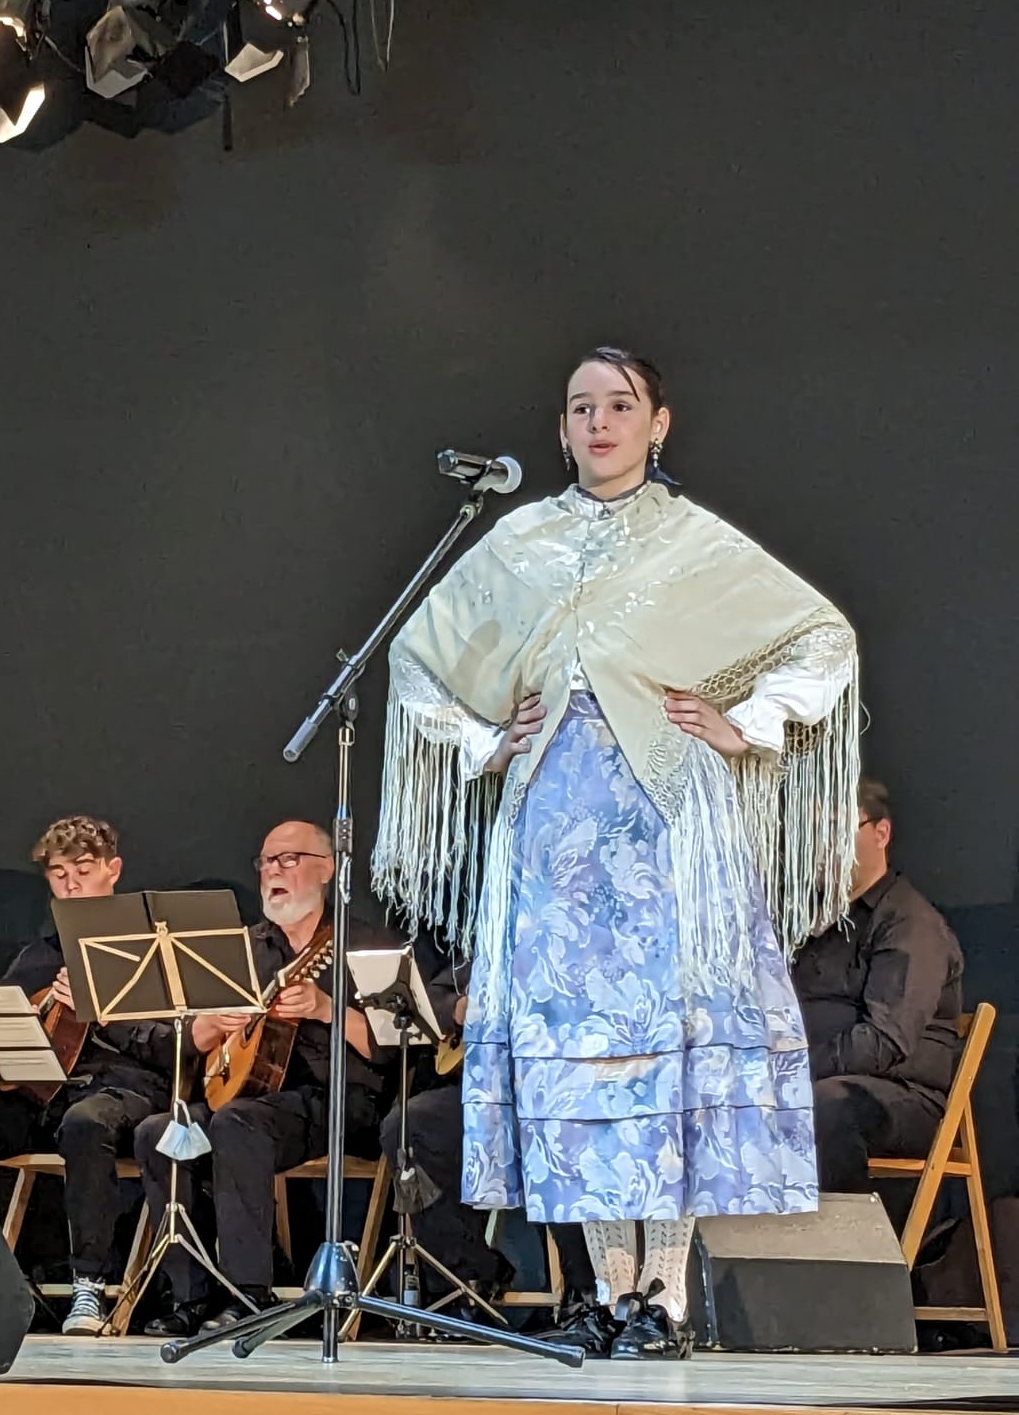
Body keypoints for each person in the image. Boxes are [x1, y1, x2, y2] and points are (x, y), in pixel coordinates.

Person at [372, 346, 860, 1358]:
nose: (599, 422)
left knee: (666, 1061)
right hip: (553, 834)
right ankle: (606, 1287)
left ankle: (666, 1297)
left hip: (669, 827)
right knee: (575, 1067)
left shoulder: (692, 543)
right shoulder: (521, 542)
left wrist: (750, 723)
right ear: (561, 428)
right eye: (580, 407)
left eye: (620, 405)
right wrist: (479, 743)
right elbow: (416, 657)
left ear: (658, 424)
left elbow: (823, 637)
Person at [135, 819, 392, 1337]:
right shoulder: (242, 949)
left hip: (340, 1101)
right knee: (156, 1133)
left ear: (328, 870)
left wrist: (327, 1009)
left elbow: (395, 1046)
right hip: (250, 1098)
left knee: (237, 1124)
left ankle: (248, 1295)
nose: (273, 872)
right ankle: (194, 1293)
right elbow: (180, 1047)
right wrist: (206, 1029)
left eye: (288, 860)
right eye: (266, 862)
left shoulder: (363, 944)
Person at [0, 815, 184, 1336]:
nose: (71, 884)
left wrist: (104, 1009)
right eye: (59, 873)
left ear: (113, 871)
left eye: (84, 870)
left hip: (125, 1087)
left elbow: (172, 1045)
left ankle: (88, 1286)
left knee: (86, 1123)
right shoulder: (38, 955)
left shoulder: (149, 947)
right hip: (41, 1092)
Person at [792, 778, 963, 1199]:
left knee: (822, 1106)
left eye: (834, 830)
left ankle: (839, 1255)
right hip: (811, 1080)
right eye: (811, 833)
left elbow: (887, 1037)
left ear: (880, 833)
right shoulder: (812, 920)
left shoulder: (908, 922)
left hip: (901, 1096)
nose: (820, 845)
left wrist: (790, 1074)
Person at [378, 958, 513, 1306]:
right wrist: (457, 1009)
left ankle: (586, 1295)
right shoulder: (489, 945)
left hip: (541, 1093)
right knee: (406, 1126)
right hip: (474, 1092)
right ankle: (461, 1280)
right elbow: (430, 995)